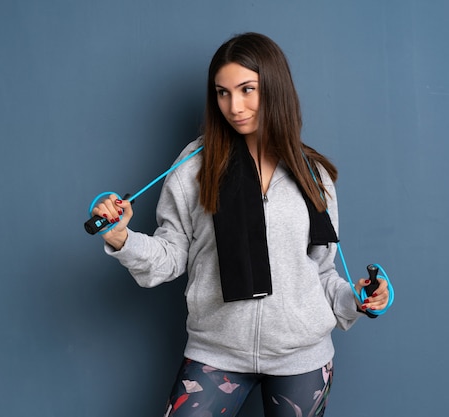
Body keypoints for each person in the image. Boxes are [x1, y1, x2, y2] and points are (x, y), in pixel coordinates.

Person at [92, 32, 390, 417]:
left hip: (302, 358)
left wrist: (360, 298)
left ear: (275, 87)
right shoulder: (194, 166)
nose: (235, 106)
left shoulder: (312, 174)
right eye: (223, 92)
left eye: (247, 89)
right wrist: (122, 238)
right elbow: (171, 255)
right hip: (216, 353)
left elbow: (320, 271)